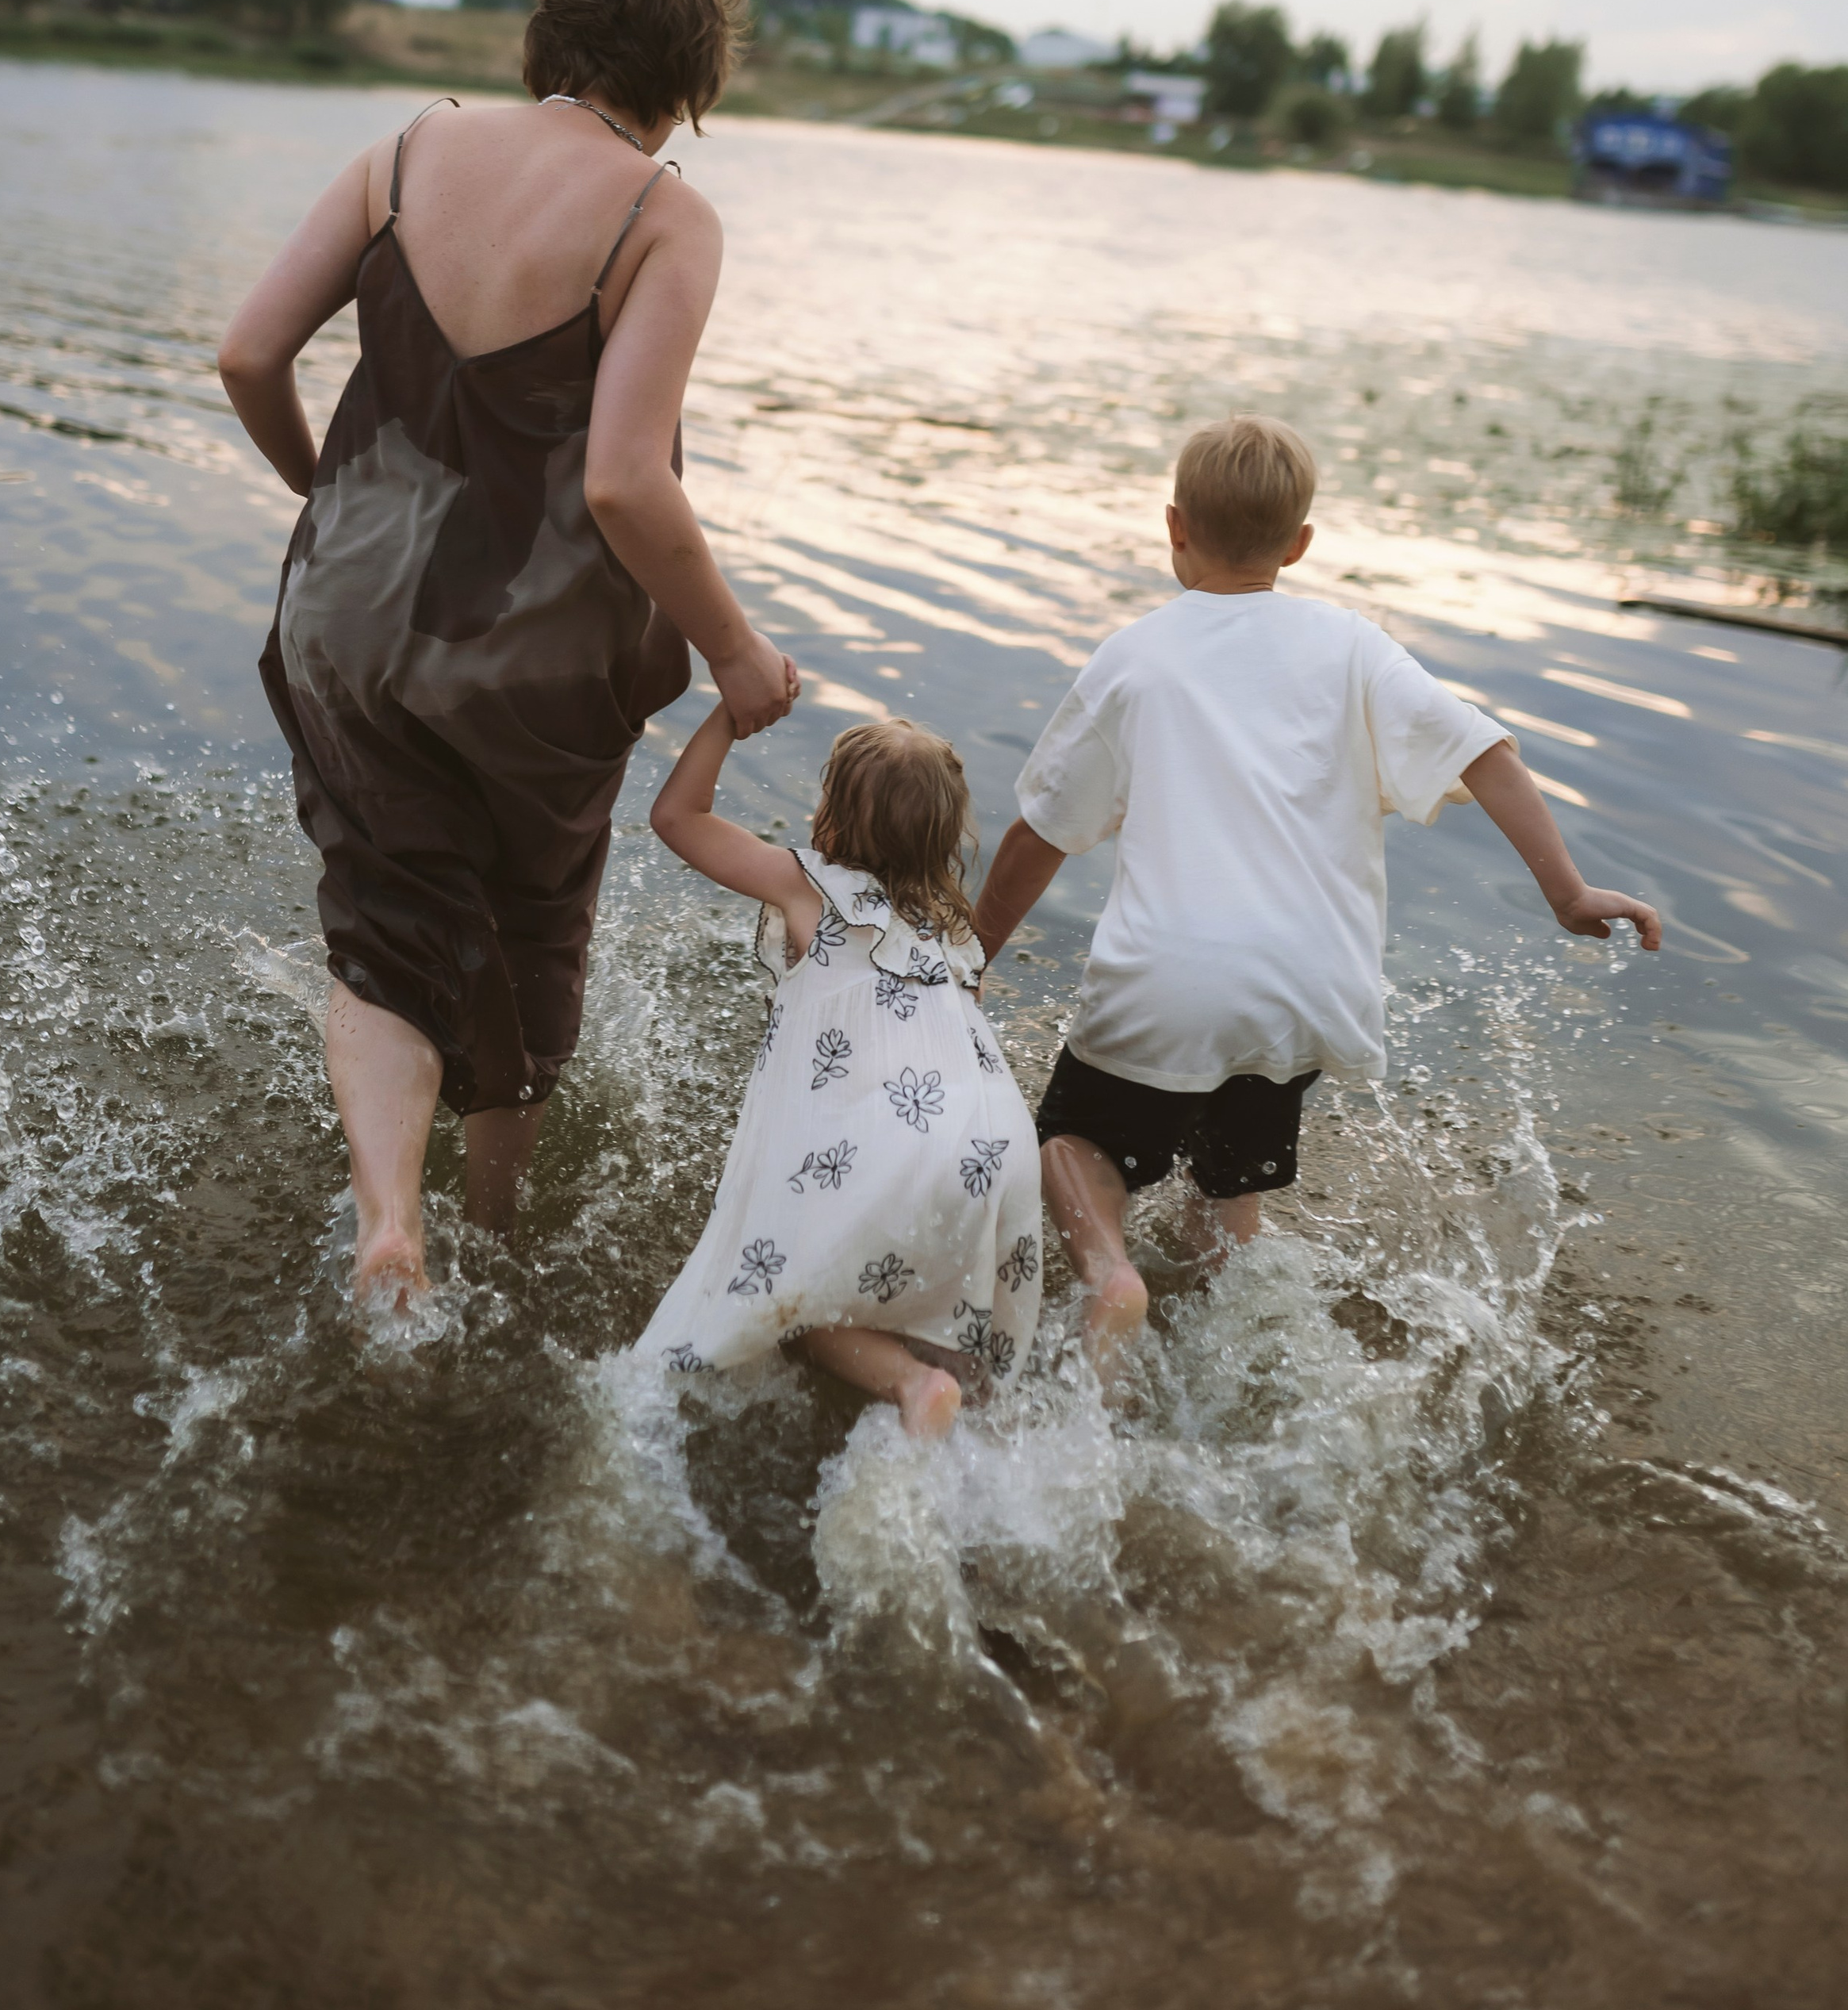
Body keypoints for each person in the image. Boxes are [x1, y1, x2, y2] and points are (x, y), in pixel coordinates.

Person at [218, 0, 799, 1304]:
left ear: (547, 41)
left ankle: (388, 1224)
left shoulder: (404, 154)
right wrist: (736, 651)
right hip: (531, 653)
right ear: (688, 84)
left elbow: (246, 354)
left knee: (381, 917)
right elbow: (624, 483)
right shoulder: (664, 217)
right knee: (530, 927)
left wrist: (329, 500)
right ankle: (488, 1235)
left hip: (346, 612)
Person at [972, 413, 1662, 1352]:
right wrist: (1568, 894)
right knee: (1226, 1202)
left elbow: (1039, 834)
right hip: (1309, 992)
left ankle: (1111, 1281)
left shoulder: (1135, 657)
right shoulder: (1352, 646)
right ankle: (1224, 1352)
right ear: (1299, 544)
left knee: (1070, 1147)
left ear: (1174, 527)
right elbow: (1486, 753)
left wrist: (969, 956)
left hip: (1171, 983)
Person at [637, 712, 1042, 1439]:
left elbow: (677, 818)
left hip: (898, 1146)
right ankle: (958, 1426)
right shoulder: (952, 933)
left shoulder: (811, 886)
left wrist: (728, 717)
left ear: (835, 811)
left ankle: (914, 1387)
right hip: (997, 1144)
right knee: (949, 1316)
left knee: (789, 1310)